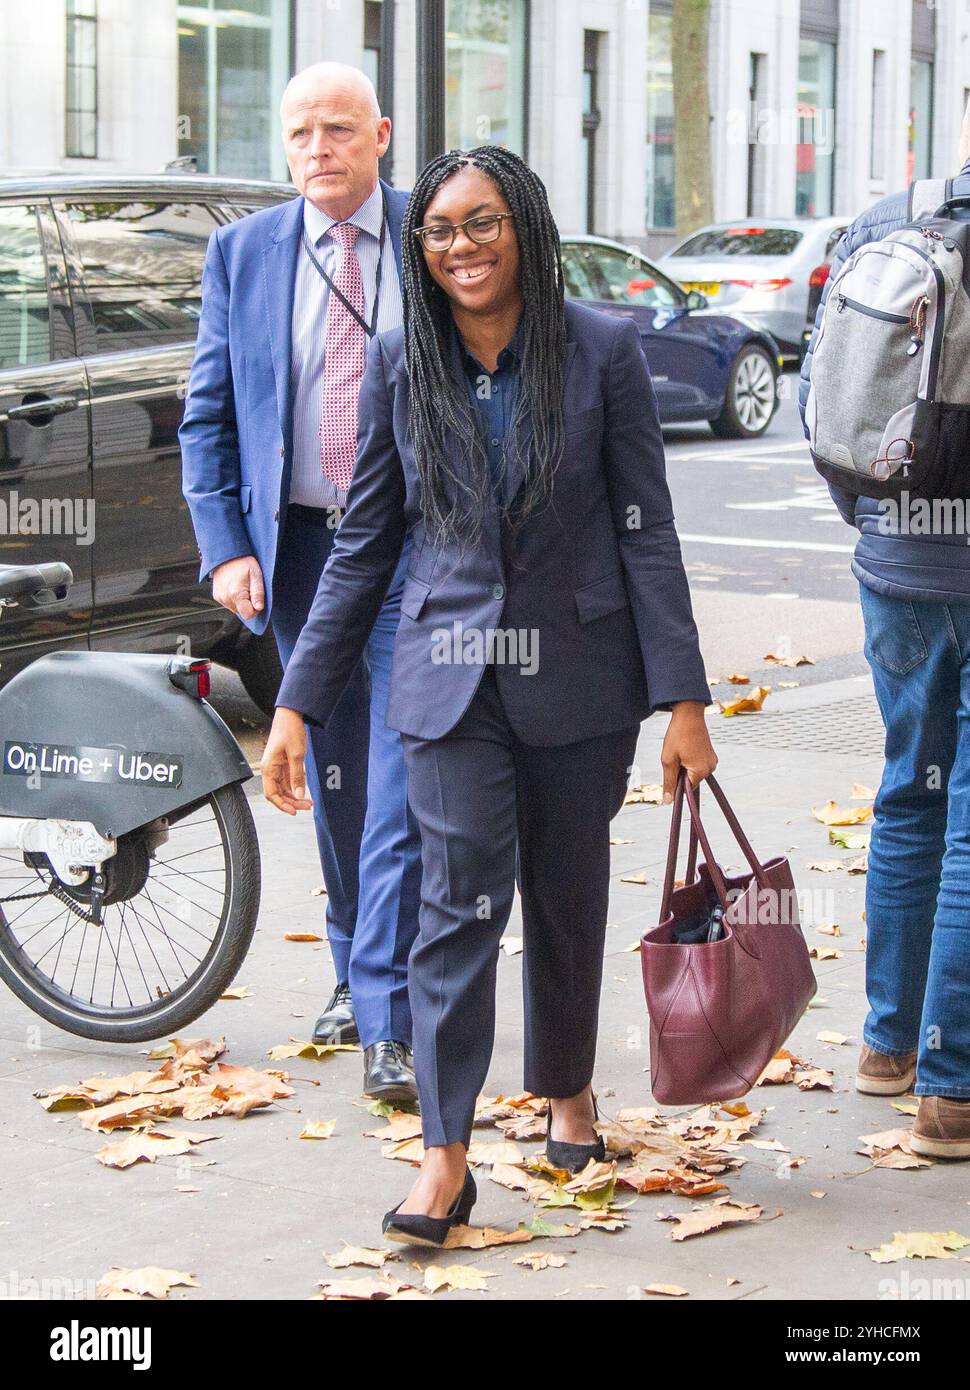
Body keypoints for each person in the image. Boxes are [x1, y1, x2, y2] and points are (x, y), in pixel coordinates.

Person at [261, 145, 716, 1244]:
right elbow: (365, 543)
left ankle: (565, 1091)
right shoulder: (397, 358)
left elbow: (644, 533)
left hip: (579, 678)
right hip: (445, 682)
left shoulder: (601, 350)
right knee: (452, 910)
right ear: (420, 249)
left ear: (525, 227)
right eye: (440, 230)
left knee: (567, 897)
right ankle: (444, 1153)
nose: (460, 246)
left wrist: (686, 701)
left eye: (482, 223)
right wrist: (296, 702)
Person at [180, 63, 422, 1102]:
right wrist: (226, 542)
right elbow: (209, 416)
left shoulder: (434, 233)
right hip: (303, 554)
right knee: (334, 774)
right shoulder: (243, 254)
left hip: (418, 551)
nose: (316, 148)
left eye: (335, 128)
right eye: (297, 133)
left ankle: (394, 1005)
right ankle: (349, 971)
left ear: (380, 134)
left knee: (409, 773)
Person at [800, 101, 970, 1159]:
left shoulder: (886, 219)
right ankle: (951, 1090)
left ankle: (885, 1045)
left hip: (896, 554)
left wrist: (876, 526)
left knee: (912, 783)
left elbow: (829, 410)